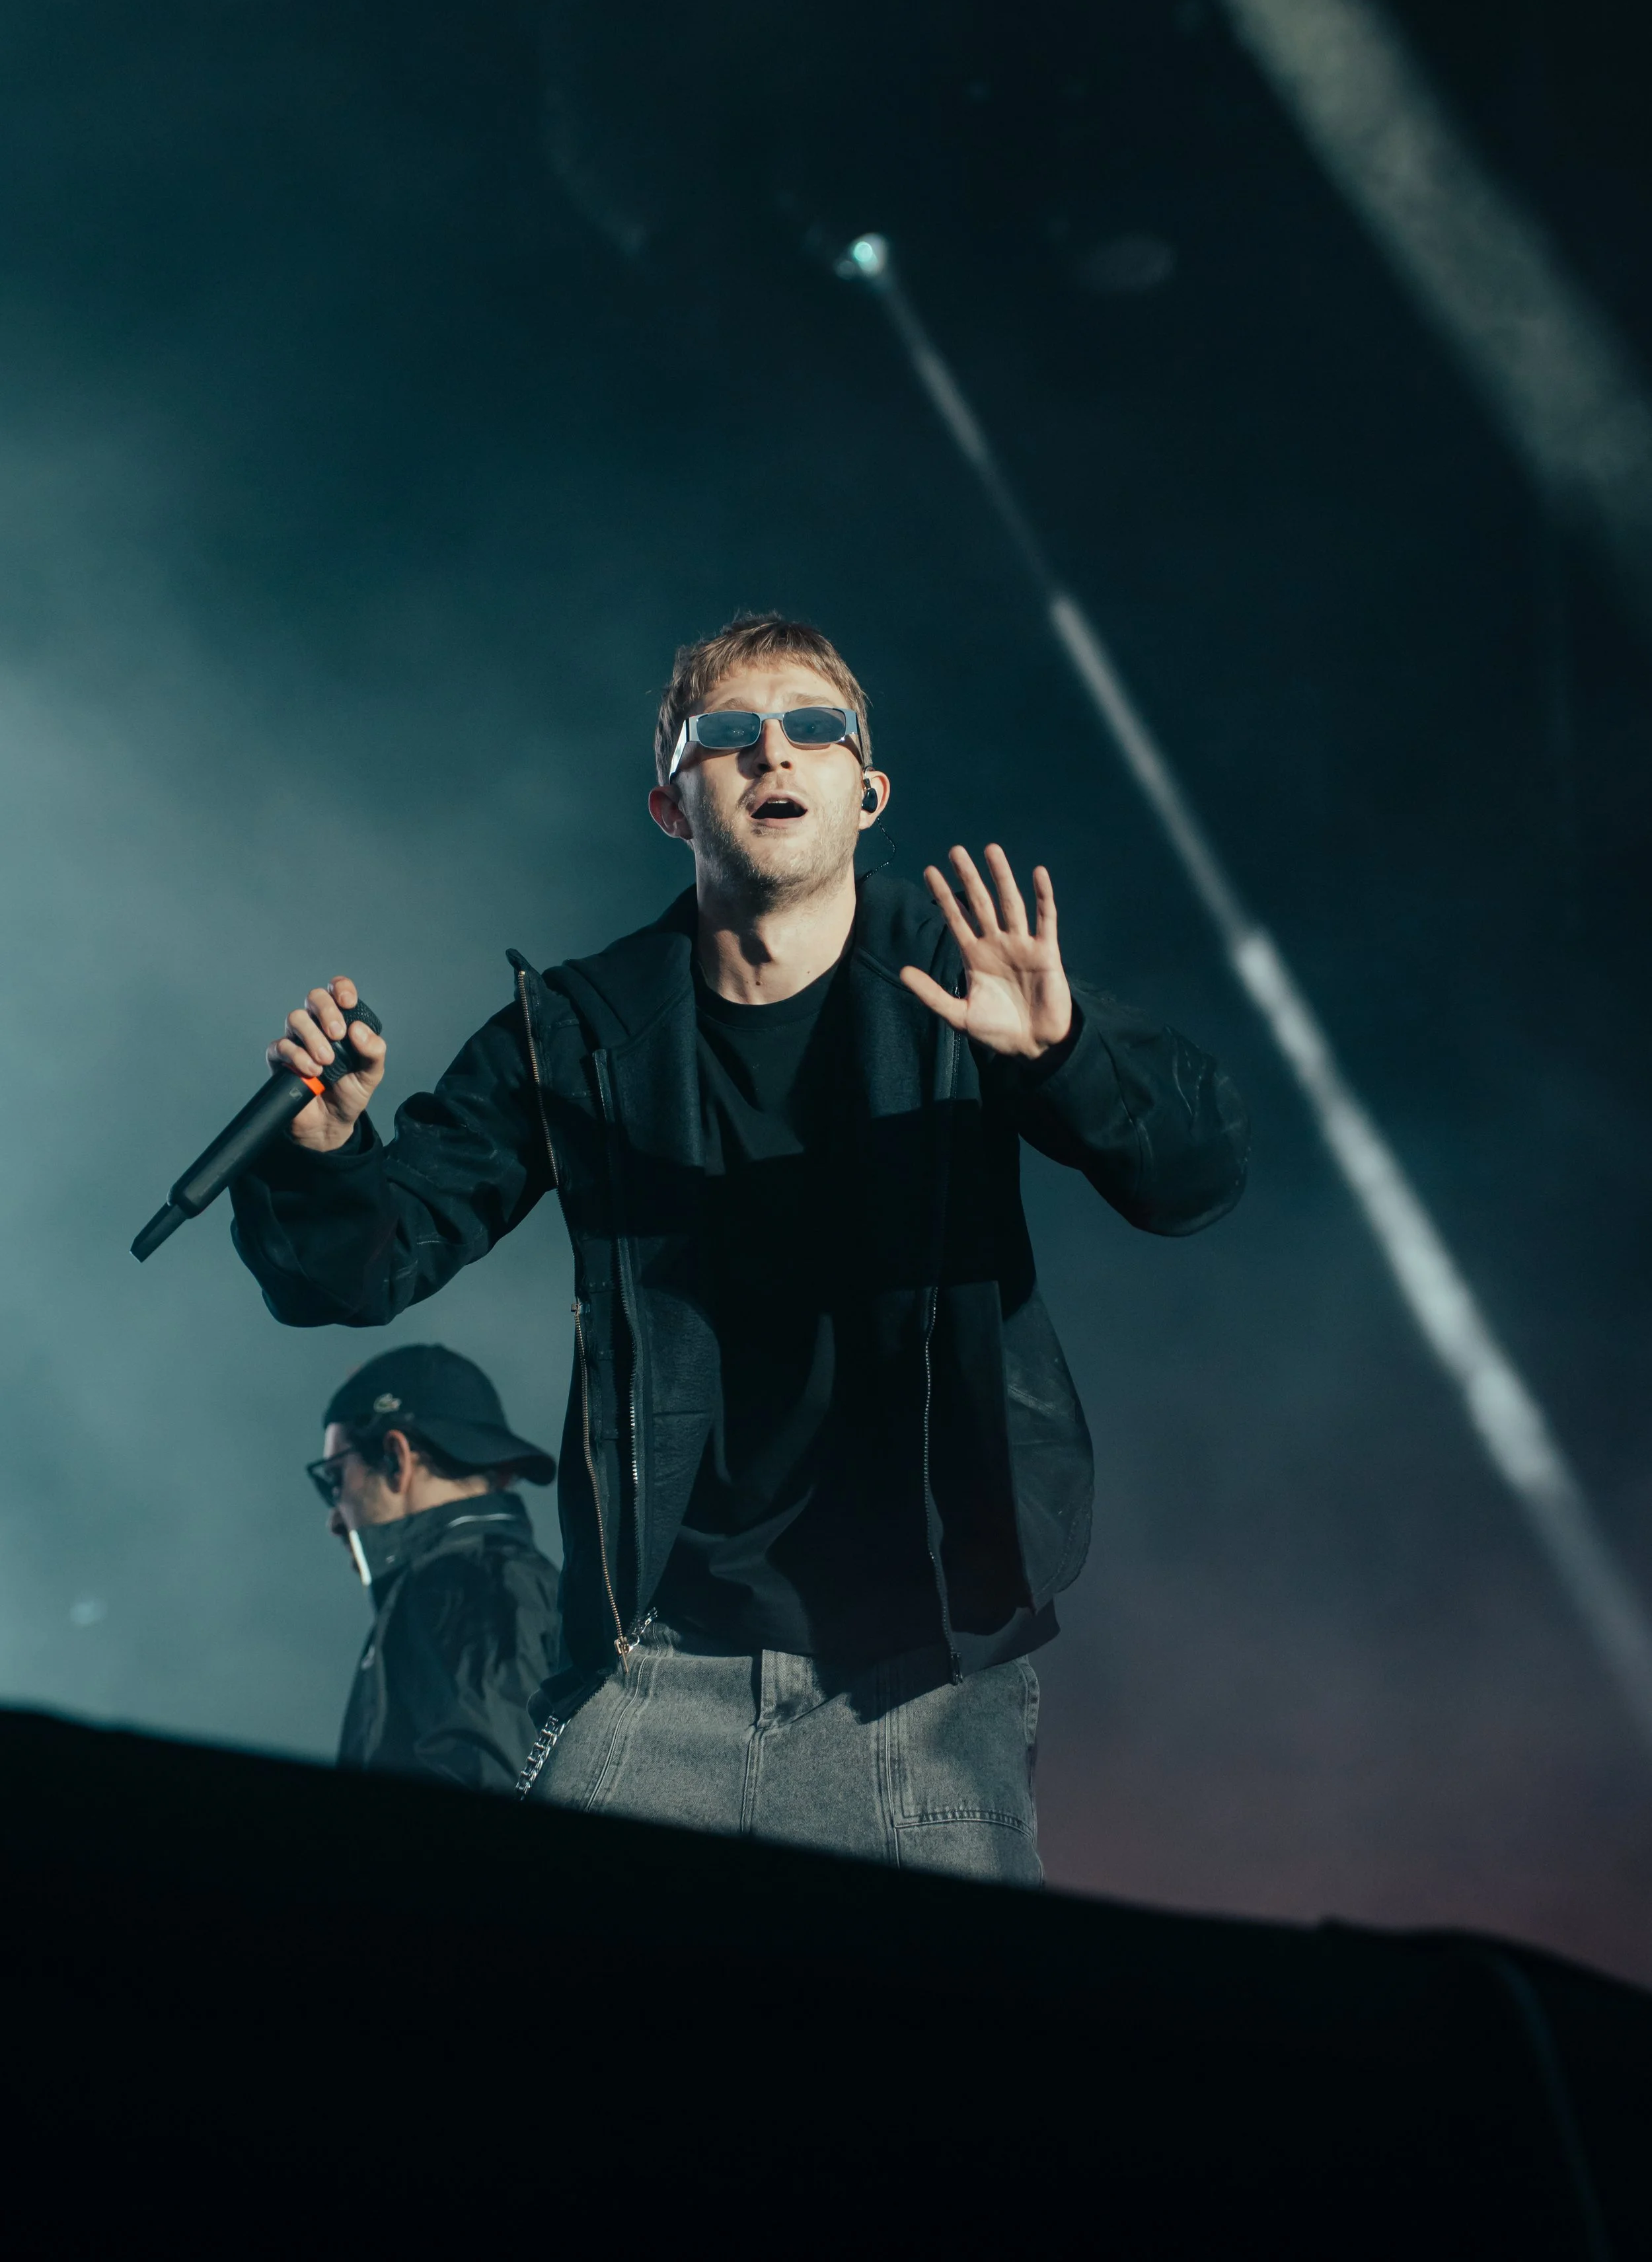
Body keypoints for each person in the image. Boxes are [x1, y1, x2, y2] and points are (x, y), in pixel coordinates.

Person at [233, 611, 1248, 1878]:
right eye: (728, 733)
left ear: (867, 793)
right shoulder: (580, 1032)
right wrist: (325, 1151)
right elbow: (361, 1268)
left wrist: (1064, 1055)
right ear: (673, 805)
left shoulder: (962, 984)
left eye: (815, 727)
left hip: (921, 1681)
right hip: (657, 1672)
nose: (775, 751)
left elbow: (1194, 1182)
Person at [309, 1341, 560, 1793]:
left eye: (335, 1477)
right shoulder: (488, 1579)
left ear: (396, 1458)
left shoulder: (461, 1585)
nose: (333, 1520)